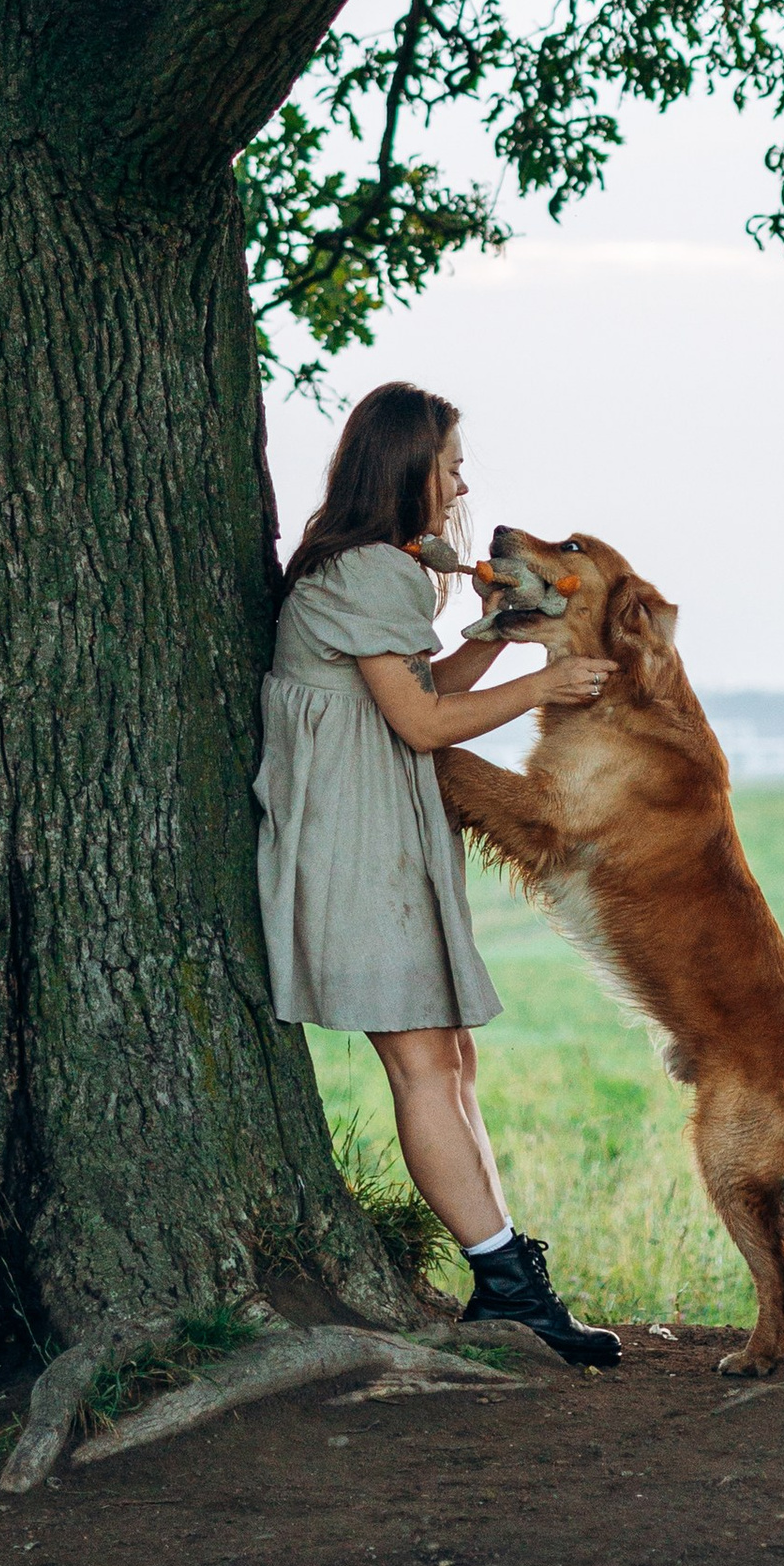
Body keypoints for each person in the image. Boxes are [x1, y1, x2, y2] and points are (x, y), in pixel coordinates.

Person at [254, 379, 622, 1368]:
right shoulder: (371, 570)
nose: (463, 480)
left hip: (378, 832)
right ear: (408, 466)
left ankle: (510, 1276)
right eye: (451, 463)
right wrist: (542, 682)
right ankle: (507, 1284)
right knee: (423, 1065)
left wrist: (498, 640)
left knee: (451, 1059)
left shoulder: (371, 570)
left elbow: (411, 691)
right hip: (356, 842)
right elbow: (419, 726)